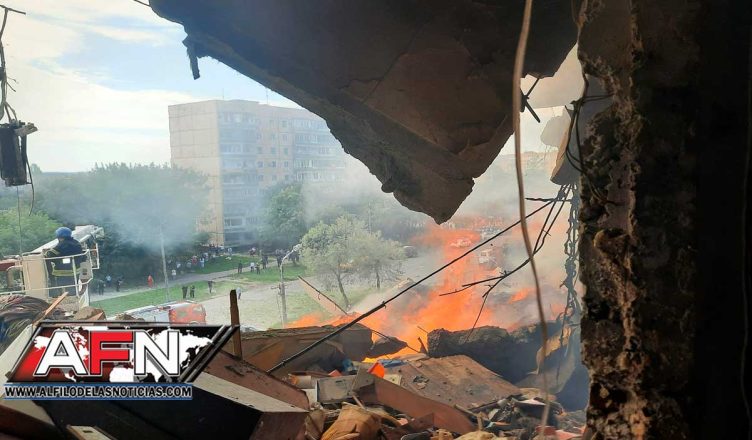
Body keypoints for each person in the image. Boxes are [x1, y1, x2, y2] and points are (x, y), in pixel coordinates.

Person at [44, 227, 86, 298]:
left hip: (62, 273)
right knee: (72, 288)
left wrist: (47, 252)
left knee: (61, 289)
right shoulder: (76, 243)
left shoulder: (61, 245)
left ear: (59, 236)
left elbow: (50, 254)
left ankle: (60, 297)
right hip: (75, 271)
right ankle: (73, 296)